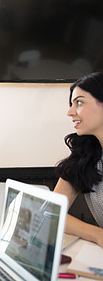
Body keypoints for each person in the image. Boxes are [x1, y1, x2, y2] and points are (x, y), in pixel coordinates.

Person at [54, 72, 103, 248]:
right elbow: (53, 212)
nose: (70, 112)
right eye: (71, 104)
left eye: (80, 102)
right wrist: (98, 235)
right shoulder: (85, 155)